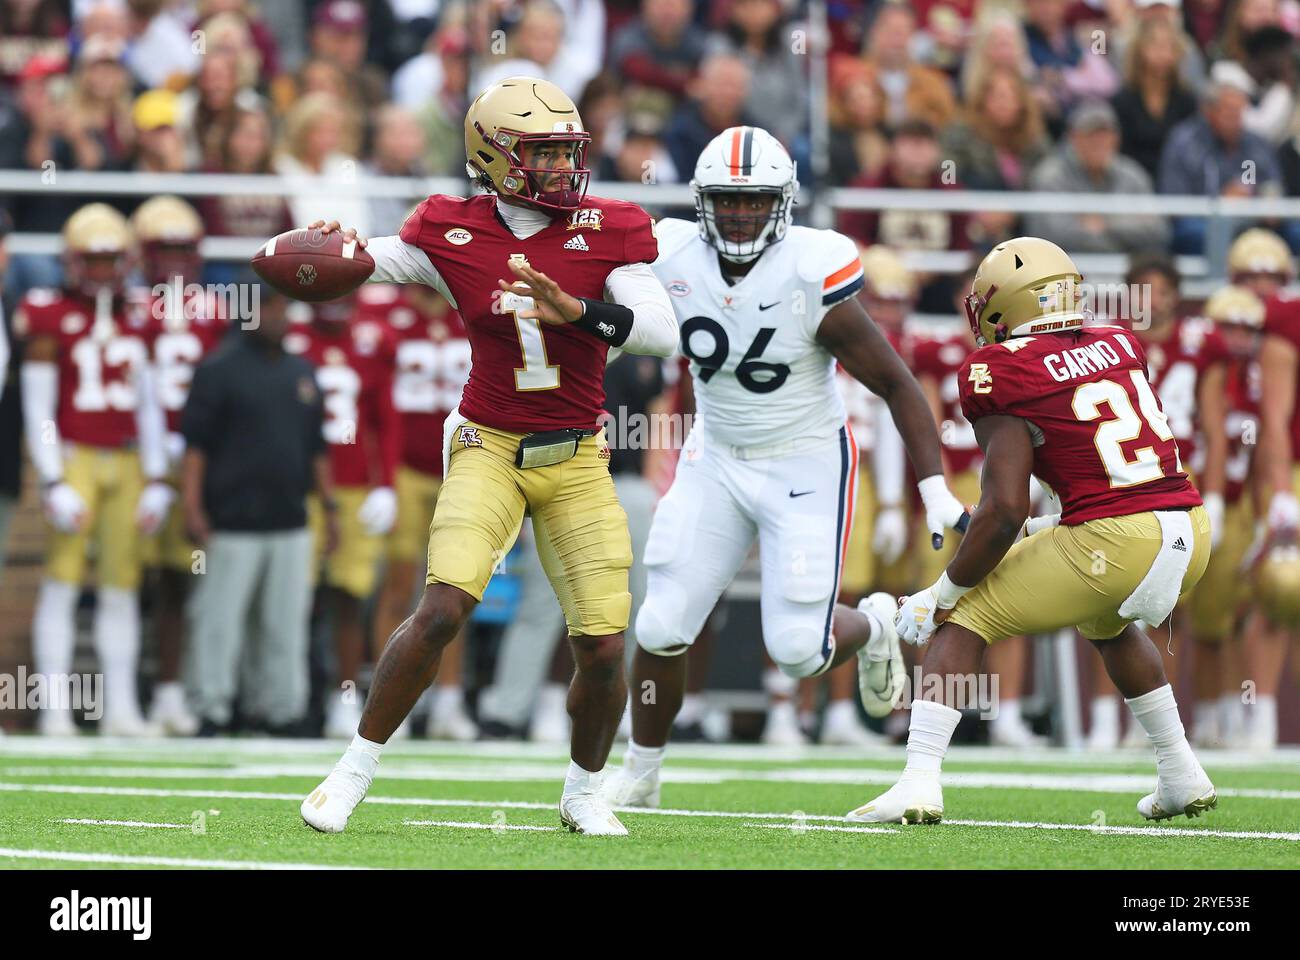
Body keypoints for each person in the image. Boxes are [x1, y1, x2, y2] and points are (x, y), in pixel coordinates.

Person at [298, 76, 678, 837]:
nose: (565, 170)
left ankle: (580, 792)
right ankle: (350, 772)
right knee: (442, 606)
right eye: (544, 154)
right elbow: (377, 260)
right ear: (495, 158)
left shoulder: (611, 229)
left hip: (576, 454)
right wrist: (327, 251)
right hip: (488, 443)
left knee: (604, 646)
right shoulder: (451, 229)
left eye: (570, 152)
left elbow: (661, 331)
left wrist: (577, 310)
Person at [601, 126, 968, 808]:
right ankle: (641, 773)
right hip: (715, 454)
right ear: (702, 201)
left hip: (804, 460)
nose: (740, 214)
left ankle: (876, 624)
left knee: (800, 648)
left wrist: (935, 488)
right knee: (660, 623)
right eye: (728, 200)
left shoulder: (810, 271)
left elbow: (897, 384)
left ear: (785, 202)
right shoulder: (671, 253)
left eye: (756, 200)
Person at [850, 237, 1216, 824]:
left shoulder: (1001, 368)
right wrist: (1061, 523)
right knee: (1107, 621)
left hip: (1116, 538)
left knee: (966, 613)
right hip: (1189, 526)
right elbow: (1103, 465)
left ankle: (918, 780)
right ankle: (1180, 772)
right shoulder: (1118, 341)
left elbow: (1001, 512)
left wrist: (940, 593)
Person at [18, 203, 172, 735]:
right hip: (75, 455)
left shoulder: (140, 314)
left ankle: (121, 708)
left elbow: (150, 404)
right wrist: (53, 478)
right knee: (61, 583)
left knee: (120, 588)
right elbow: (38, 408)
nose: (104, 271)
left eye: (111, 260)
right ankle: (55, 709)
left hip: (128, 458)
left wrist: (156, 476)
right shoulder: (47, 312)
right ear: (72, 261)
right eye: (95, 260)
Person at [181, 285, 334, 736]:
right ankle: (212, 708)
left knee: (285, 625)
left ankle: (281, 711)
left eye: (283, 305)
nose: (279, 315)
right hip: (231, 520)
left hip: (291, 519)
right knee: (220, 623)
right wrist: (192, 506)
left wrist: (330, 509)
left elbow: (316, 448)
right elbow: (195, 448)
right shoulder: (217, 371)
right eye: (269, 305)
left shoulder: (302, 372)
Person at [361, 282, 477, 741]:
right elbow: (372, 406)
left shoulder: (469, 308)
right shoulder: (385, 316)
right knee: (398, 587)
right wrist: (382, 480)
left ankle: (449, 701)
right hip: (406, 470)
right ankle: (389, 701)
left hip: (463, 464)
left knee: (456, 590)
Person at [284, 295, 400, 739]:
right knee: (294, 599)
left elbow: (386, 419)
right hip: (299, 487)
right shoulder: (292, 339)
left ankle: (343, 700)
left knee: (348, 599)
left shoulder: (374, 340)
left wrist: (386, 483)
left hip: (353, 486)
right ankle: (291, 697)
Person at [132, 195, 225, 736]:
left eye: (183, 249)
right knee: (129, 582)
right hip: (140, 459)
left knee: (180, 580)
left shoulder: (214, 308)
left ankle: (172, 692)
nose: (175, 260)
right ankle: (136, 694)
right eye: (164, 249)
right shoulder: (128, 308)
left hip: (193, 461)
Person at [1025, 100, 1170, 253]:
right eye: (1090, 135)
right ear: (1073, 137)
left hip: (1125, 269)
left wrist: (1106, 223)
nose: (1098, 142)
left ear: (1116, 139)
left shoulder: (1132, 174)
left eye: (1105, 135)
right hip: (1065, 268)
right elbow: (1051, 234)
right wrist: (1123, 232)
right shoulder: (1050, 175)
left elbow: (1157, 230)